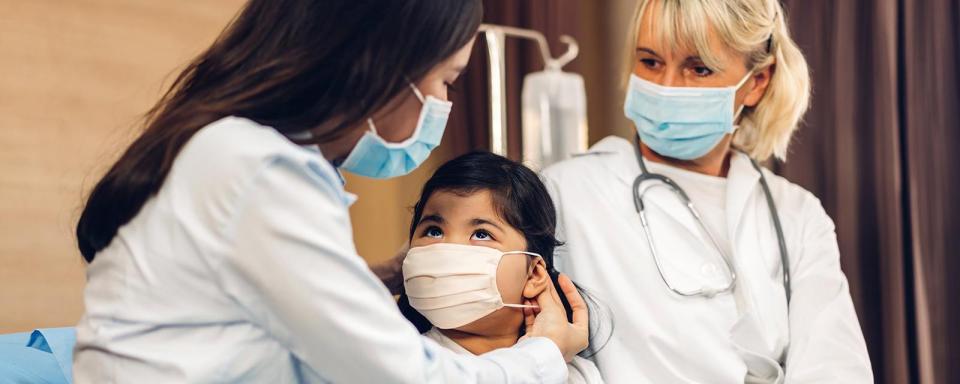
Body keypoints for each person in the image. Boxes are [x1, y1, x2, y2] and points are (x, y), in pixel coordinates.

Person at [72, 0, 587, 382]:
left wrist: (368, 278)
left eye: (481, 235)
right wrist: (545, 353)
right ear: (382, 64)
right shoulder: (258, 171)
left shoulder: (229, 153)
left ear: (534, 273)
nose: (442, 103)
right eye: (446, 81)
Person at [541, 0, 873, 382]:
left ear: (757, 82)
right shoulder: (564, 193)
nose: (666, 86)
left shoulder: (796, 214)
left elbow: (835, 366)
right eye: (650, 62)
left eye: (698, 69)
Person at [395, 152, 611, 384]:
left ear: (533, 274)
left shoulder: (577, 374)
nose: (447, 249)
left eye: (481, 234)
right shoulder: (399, 363)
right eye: (434, 231)